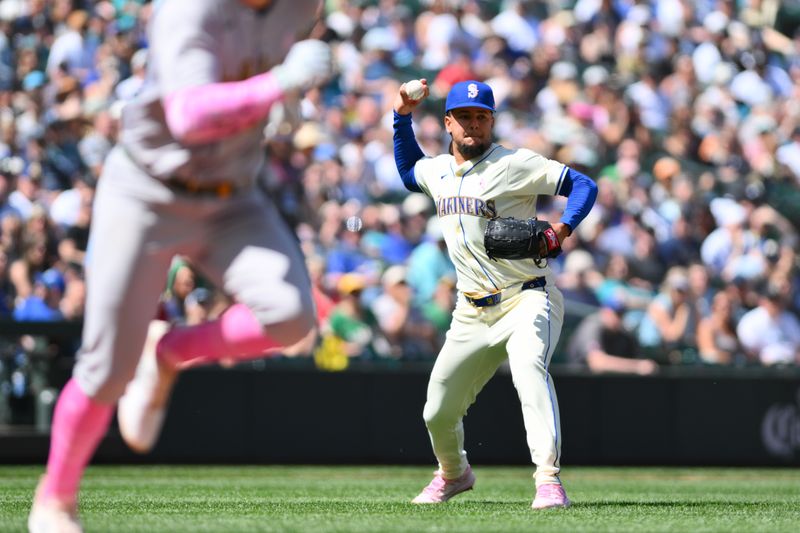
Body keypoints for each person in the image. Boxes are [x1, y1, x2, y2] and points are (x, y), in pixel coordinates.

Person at [28, 1, 333, 532]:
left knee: (291, 317)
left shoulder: (304, 4)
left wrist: (284, 93)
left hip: (232, 198)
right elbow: (188, 117)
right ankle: (55, 501)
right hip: (147, 190)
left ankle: (169, 351)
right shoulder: (190, 8)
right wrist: (278, 82)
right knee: (106, 370)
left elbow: (279, 54)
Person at [393, 79, 597, 509]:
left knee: (528, 371)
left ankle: (548, 480)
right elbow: (410, 171)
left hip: (527, 297)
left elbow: (583, 185)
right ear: (448, 122)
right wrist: (401, 117)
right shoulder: (438, 171)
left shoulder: (515, 164)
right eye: (464, 117)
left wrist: (562, 227)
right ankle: (453, 474)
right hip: (470, 311)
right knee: (437, 412)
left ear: (492, 122)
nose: (473, 125)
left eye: (481, 117)